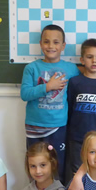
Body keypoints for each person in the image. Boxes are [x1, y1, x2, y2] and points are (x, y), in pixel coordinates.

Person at [20, 25, 80, 180]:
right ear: (40, 44)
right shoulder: (31, 68)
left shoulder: (71, 69)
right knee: (36, 168)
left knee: (57, 167)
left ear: (63, 46)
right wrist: (47, 87)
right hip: (34, 127)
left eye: (56, 42)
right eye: (46, 42)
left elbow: (86, 81)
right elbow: (25, 94)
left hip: (58, 127)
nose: (51, 46)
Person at [64, 39, 96, 185]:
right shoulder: (74, 82)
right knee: (76, 174)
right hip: (77, 137)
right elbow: (69, 107)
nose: (94, 61)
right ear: (82, 60)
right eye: (89, 57)